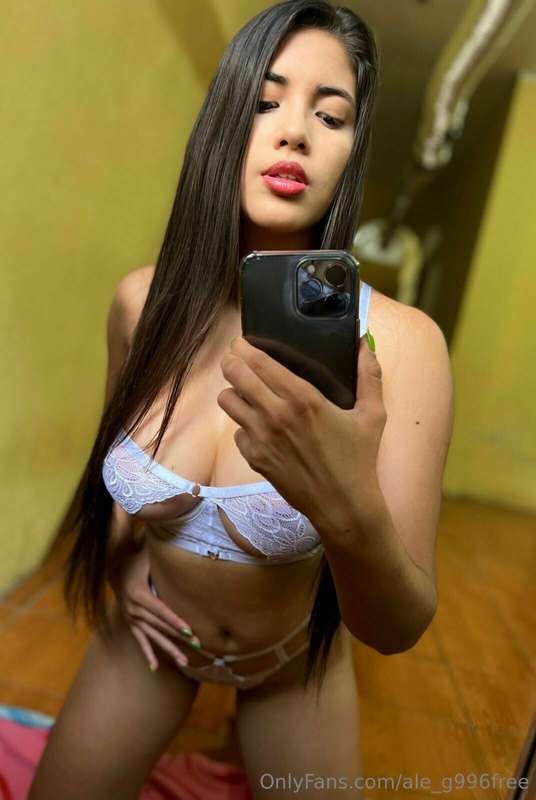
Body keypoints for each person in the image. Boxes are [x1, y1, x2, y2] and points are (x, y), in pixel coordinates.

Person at [29, 2, 454, 798]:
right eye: (265, 102)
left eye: (330, 115)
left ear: (352, 149)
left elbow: (398, 626)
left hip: (292, 666)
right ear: (223, 120)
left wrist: (346, 500)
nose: (294, 133)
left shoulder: (401, 348)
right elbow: (108, 483)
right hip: (149, 641)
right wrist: (121, 574)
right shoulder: (141, 304)